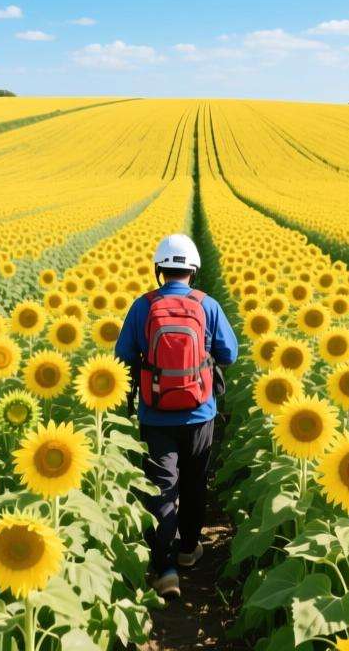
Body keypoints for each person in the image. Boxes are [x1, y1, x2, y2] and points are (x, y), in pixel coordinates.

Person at [114, 233, 238, 601]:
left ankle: (165, 568)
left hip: (156, 415)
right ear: (194, 270)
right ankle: (188, 550)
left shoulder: (143, 307)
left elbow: (122, 356)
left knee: (162, 488)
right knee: (195, 482)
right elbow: (229, 353)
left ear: (159, 270)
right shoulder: (207, 305)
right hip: (200, 412)